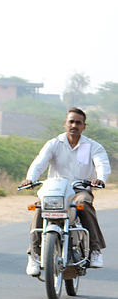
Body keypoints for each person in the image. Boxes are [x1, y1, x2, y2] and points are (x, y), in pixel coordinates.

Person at [22, 108, 111, 273]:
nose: (74, 125)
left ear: (84, 126)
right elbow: (39, 163)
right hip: (56, 191)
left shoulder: (92, 146)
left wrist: (100, 178)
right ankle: (34, 254)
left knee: (83, 203)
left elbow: (102, 164)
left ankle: (95, 250)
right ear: (65, 124)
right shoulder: (54, 143)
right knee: (39, 207)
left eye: (78, 122)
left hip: (79, 190)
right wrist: (30, 178)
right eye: (71, 121)